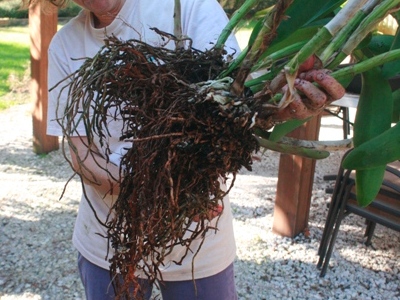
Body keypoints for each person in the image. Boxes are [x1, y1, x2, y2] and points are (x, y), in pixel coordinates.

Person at [25, 0, 345, 299]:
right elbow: (78, 150)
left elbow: (238, 106)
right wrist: (147, 186)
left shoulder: (188, 5)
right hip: (108, 241)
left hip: (200, 242)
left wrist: (282, 107)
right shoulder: (66, 44)